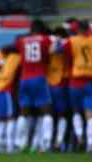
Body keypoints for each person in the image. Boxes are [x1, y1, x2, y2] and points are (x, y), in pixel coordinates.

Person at [64, 20, 92, 153]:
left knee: (76, 111)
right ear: (88, 29)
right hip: (91, 81)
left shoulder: (72, 40)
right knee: (91, 115)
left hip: (75, 80)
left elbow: (58, 51)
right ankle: (90, 145)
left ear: (77, 29)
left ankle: (80, 137)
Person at [15, 19, 55, 152]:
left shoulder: (22, 41)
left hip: (24, 79)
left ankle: (20, 144)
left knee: (24, 112)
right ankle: (46, 143)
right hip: (39, 77)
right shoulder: (45, 39)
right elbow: (52, 52)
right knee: (46, 111)